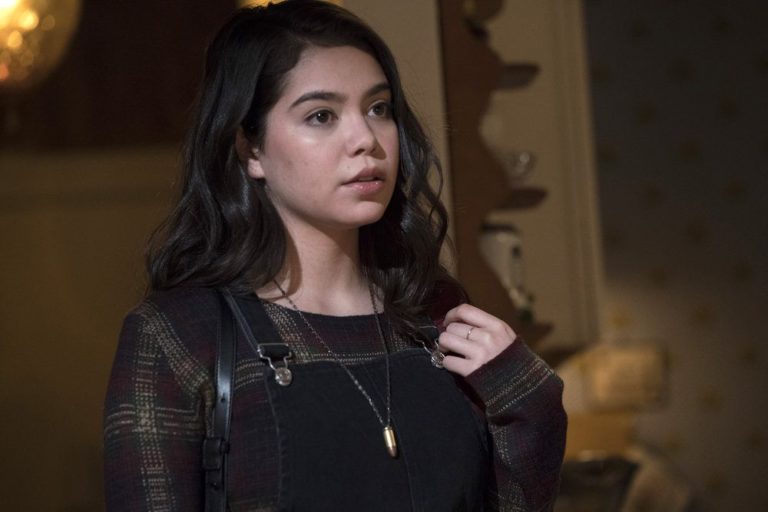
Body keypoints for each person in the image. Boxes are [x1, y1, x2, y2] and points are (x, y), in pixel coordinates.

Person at [103, 1, 566, 511]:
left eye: (379, 108)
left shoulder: (431, 310)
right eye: (321, 116)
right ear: (250, 150)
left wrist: (527, 397)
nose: (366, 140)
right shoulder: (179, 336)